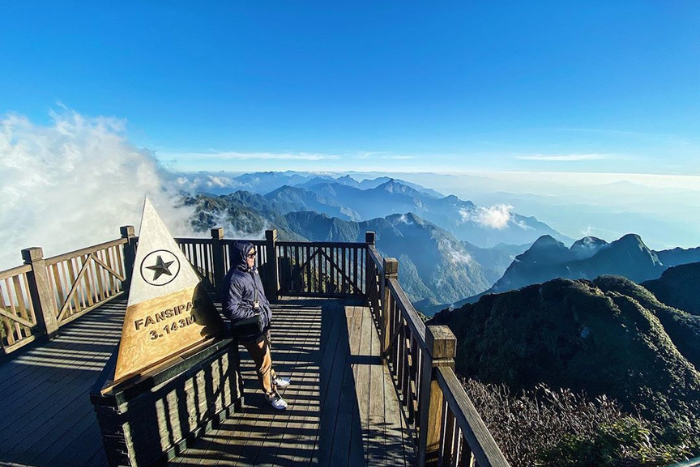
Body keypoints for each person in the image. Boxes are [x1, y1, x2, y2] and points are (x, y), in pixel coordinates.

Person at [221, 241, 290, 410]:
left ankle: (272, 378)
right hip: (249, 328)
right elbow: (230, 309)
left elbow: (260, 295)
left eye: (254, 254)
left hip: (262, 324)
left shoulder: (251, 272)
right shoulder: (234, 280)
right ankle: (270, 394)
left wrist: (264, 312)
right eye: (250, 255)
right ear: (241, 257)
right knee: (263, 361)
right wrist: (254, 314)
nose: (253, 258)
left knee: (267, 355)